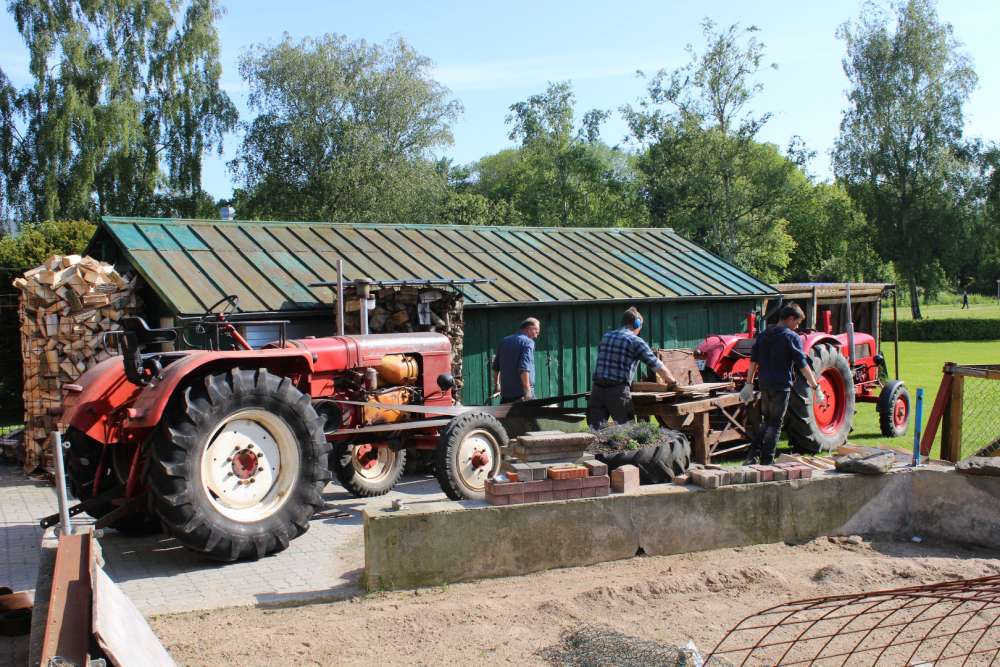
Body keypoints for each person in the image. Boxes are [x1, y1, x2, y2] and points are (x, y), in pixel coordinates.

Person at [741, 303, 825, 465]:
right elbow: (802, 365)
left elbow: (753, 361)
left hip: (765, 384)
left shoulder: (763, 335)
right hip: (781, 386)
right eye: (797, 323)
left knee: (767, 421)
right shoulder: (791, 337)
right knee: (775, 423)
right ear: (790, 318)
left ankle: (752, 456)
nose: (797, 327)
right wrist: (816, 387)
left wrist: (749, 383)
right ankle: (767, 461)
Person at [588, 307, 678, 429]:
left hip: (597, 390)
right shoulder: (635, 341)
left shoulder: (606, 336)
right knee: (627, 431)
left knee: (594, 431)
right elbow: (657, 365)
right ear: (637, 324)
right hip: (617, 391)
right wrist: (673, 382)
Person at [492, 317, 540, 403]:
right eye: (536, 330)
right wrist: (527, 391)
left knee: (506, 412)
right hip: (522, 396)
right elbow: (524, 368)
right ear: (529, 329)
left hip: (506, 395)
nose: (537, 335)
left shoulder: (504, 341)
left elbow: (496, 367)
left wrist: (497, 385)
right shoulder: (528, 342)